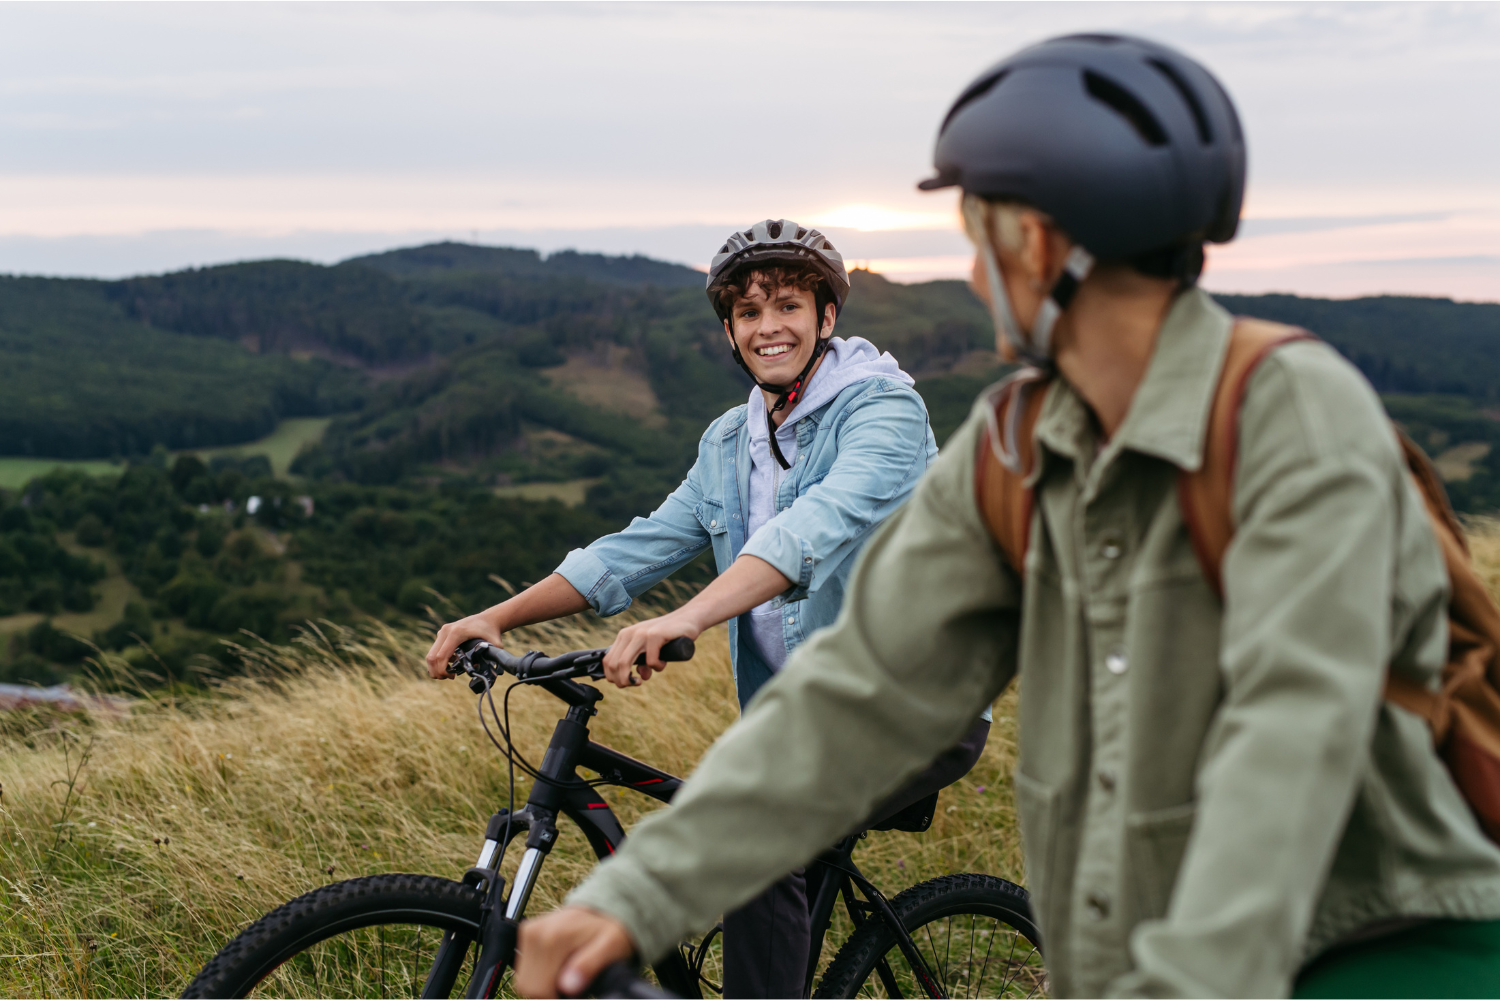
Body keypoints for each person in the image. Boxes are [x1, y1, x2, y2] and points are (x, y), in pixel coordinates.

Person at [513, 34, 1500, 999]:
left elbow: (1291, 743)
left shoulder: (1291, 414)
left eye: (975, 235)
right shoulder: (1013, 447)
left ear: (1031, 241)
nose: (976, 271)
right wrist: (635, 896)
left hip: (1379, 956)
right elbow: (863, 694)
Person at [425, 220, 989, 998]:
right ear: (729, 330)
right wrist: (499, 616)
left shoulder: (884, 414)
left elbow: (808, 531)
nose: (769, 328)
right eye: (749, 314)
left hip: (916, 707)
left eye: (788, 306)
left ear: (827, 317)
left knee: (754, 842)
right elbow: (640, 546)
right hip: (803, 717)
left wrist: (686, 618)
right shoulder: (732, 440)